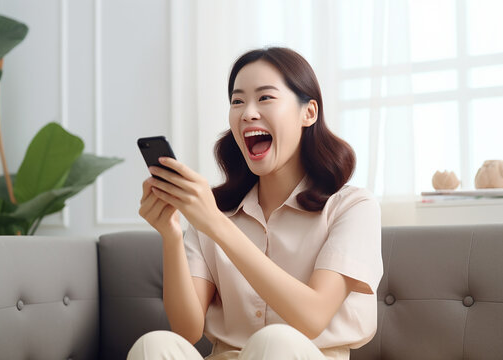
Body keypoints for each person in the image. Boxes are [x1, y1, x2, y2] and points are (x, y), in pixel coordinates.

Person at [129, 47, 383, 360]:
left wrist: (218, 226)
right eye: (237, 101)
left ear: (309, 113)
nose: (247, 112)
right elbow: (187, 331)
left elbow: (313, 317)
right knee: (154, 345)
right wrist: (171, 235)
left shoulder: (352, 207)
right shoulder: (214, 213)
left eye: (265, 98)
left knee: (275, 342)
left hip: (296, 355)